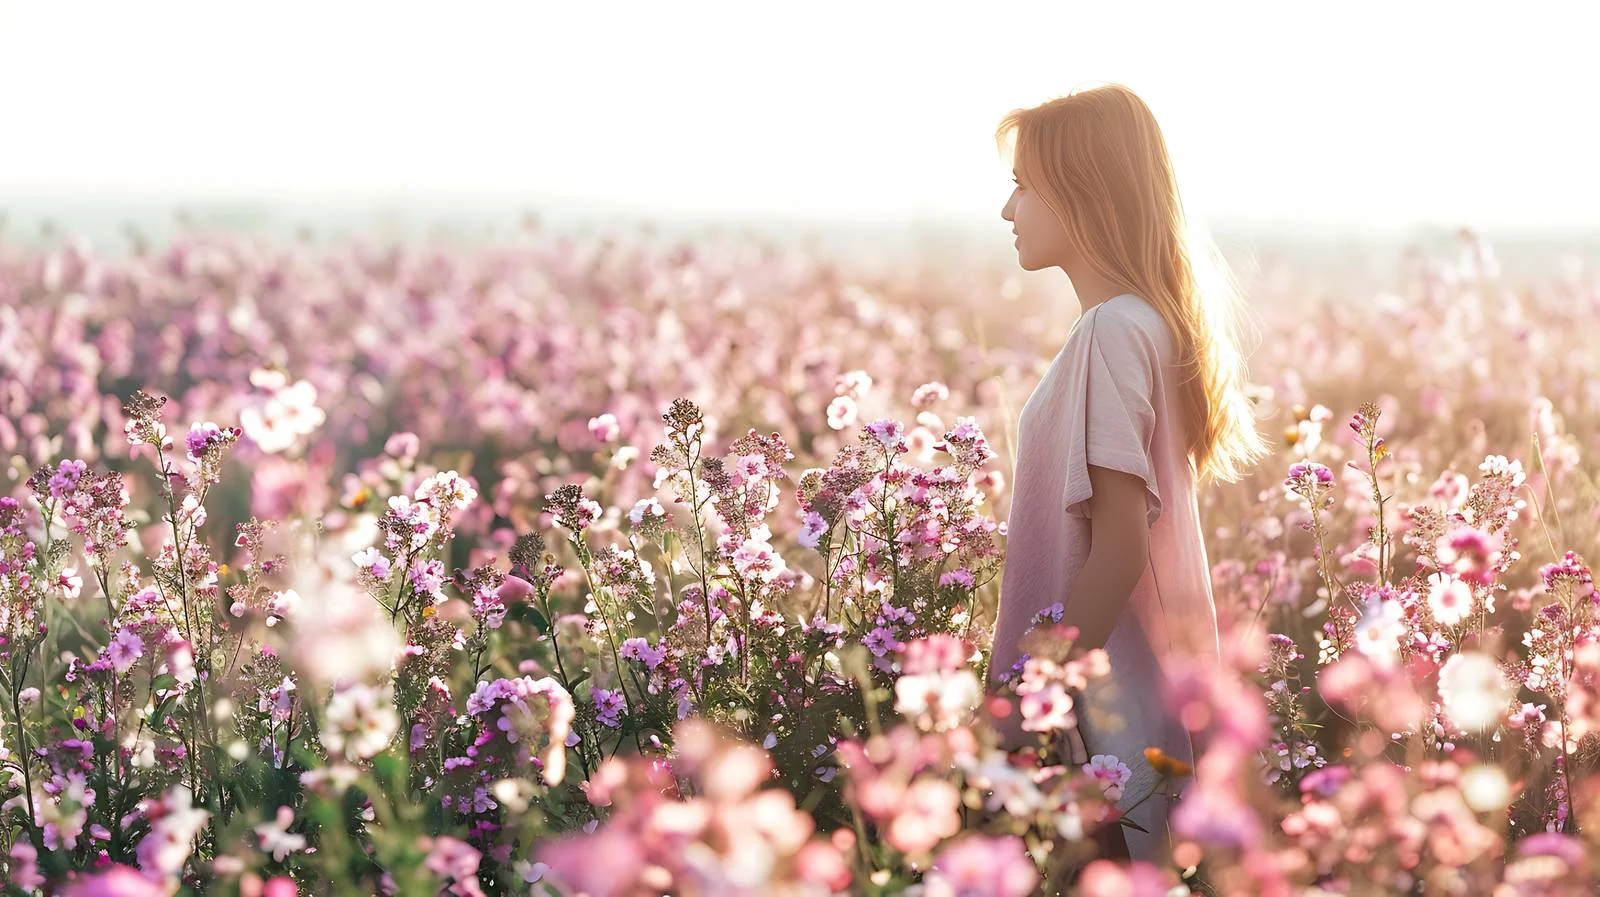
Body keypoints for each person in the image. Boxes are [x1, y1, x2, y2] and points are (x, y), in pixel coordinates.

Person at [984, 83, 1269, 866]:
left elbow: (1118, 546)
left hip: (1098, 724)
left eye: (1022, 187)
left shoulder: (1113, 331)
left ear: (1081, 193)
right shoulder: (1141, 322)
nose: (1009, 211)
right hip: (1125, 709)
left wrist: (1034, 699)